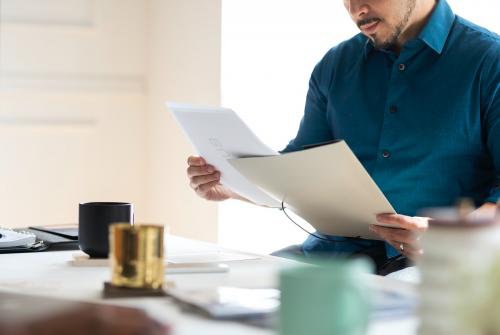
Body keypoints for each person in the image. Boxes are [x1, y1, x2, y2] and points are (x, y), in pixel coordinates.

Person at [186, 0, 499, 274]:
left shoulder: (489, 61)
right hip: (328, 260)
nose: (356, 9)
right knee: (212, 293)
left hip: (437, 271)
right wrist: (231, 184)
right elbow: (299, 173)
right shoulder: (336, 65)